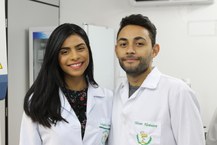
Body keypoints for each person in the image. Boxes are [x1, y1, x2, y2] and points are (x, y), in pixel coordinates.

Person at [108, 14, 205, 145]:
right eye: (123, 44)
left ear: (155, 50)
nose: (130, 50)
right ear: (116, 50)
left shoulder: (177, 92)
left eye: (139, 43)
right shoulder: (116, 95)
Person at [19, 23, 113, 145]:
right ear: (54, 57)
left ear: (88, 50)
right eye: (64, 52)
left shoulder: (107, 98)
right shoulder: (37, 101)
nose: (75, 56)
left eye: (80, 48)